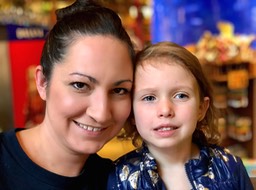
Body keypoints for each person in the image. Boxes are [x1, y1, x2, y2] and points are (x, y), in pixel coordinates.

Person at [0, 0, 135, 189]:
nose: (101, 113)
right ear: (42, 82)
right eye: (80, 85)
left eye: (119, 90)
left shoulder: (120, 181)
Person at [108, 41, 253, 190]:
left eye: (181, 95)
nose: (165, 110)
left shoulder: (230, 167)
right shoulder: (119, 179)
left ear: (201, 108)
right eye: (149, 98)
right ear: (132, 113)